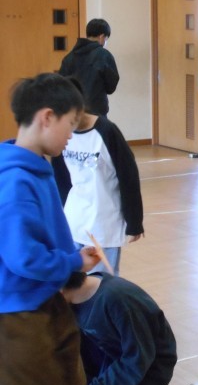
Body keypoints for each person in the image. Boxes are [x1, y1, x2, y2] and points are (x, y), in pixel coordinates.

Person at [0, 73, 101, 385]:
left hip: (45, 302)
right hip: (20, 316)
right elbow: (24, 257)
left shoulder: (36, 169)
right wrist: (72, 262)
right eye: (70, 124)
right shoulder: (15, 181)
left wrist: (73, 256)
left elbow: (44, 235)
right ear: (46, 117)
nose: (71, 134)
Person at [62, 271, 198, 385]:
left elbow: (136, 361)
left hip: (149, 369)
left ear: (58, 288)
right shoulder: (70, 302)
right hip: (111, 361)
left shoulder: (118, 300)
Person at [52, 79, 144, 276]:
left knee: (101, 283)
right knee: (74, 282)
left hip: (104, 223)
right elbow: (61, 179)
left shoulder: (107, 131)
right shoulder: (62, 136)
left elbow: (128, 177)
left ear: (77, 108)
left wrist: (134, 221)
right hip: (74, 220)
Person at [59, 18, 119, 116]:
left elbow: (61, 86)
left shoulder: (69, 57)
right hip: (97, 113)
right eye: (106, 39)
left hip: (74, 113)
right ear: (101, 36)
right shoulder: (104, 55)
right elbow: (111, 87)